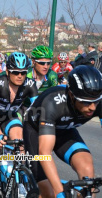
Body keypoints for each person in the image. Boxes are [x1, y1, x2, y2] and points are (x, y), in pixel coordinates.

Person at [24, 66, 102, 198]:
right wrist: (59, 191)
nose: (92, 108)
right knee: (49, 192)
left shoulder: (97, 102)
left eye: (96, 101)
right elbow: (45, 153)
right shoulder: (53, 103)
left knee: (88, 176)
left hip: (64, 130)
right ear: (71, 95)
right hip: (35, 131)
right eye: (85, 102)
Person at [0, 52, 38, 198]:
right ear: (7, 71)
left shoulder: (30, 84)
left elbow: (38, 110)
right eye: (15, 72)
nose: (20, 76)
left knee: (20, 143)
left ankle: (20, 179)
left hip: (10, 116)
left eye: (23, 72)